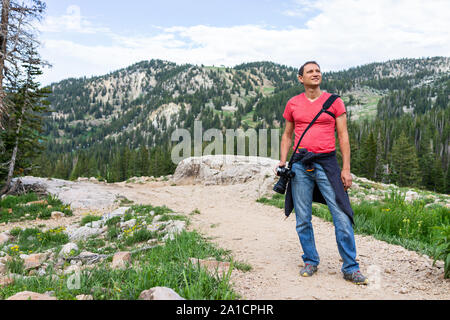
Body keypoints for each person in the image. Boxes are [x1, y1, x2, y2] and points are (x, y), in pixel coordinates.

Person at [275, 61, 368, 285]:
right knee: (303, 217)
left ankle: (350, 267)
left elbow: (343, 136)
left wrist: (346, 169)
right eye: (310, 71)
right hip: (299, 165)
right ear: (301, 78)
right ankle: (310, 260)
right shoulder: (293, 103)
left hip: (327, 163)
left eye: (318, 71)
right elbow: (287, 135)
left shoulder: (334, 101)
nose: (315, 74)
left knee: (342, 215)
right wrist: (282, 162)